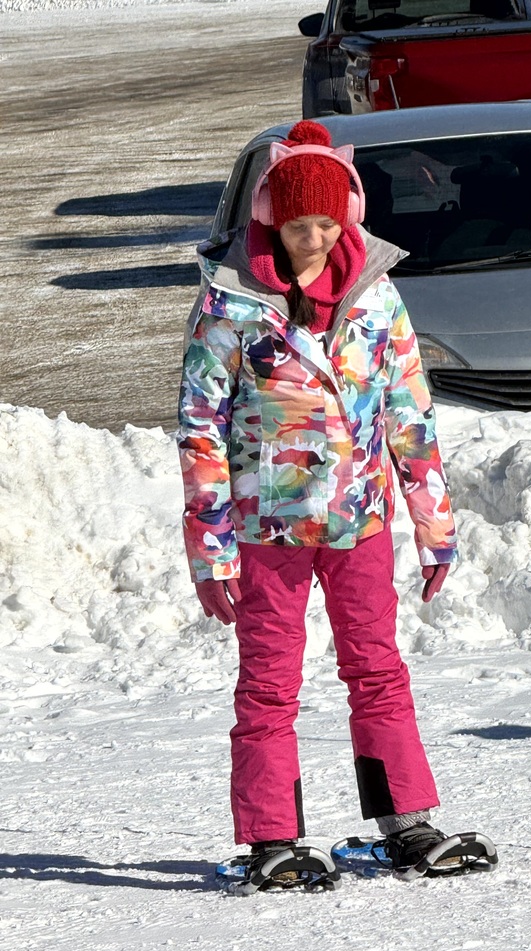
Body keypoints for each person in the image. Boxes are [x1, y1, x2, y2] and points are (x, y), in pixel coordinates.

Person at [177, 120, 460, 890]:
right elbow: (200, 427)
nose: (314, 239)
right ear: (273, 216)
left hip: (359, 518)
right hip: (265, 528)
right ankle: (271, 835)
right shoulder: (231, 304)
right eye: (301, 225)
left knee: (377, 667)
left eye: (329, 224)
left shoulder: (376, 295)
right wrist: (209, 548)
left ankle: (407, 821)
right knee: (270, 681)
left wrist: (434, 524)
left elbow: (409, 412)